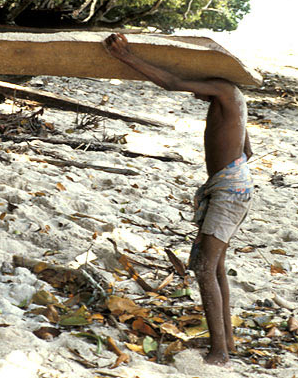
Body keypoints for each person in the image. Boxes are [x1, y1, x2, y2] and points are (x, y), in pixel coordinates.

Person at [104, 33, 253, 365]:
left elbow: (172, 82)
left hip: (229, 190)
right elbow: (247, 150)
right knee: (215, 267)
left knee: (203, 267)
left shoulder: (226, 90)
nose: (195, 88)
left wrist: (126, 56)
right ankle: (226, 339)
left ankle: (219, 353)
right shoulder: (232, 99)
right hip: (232, 185)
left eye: (199, 80)